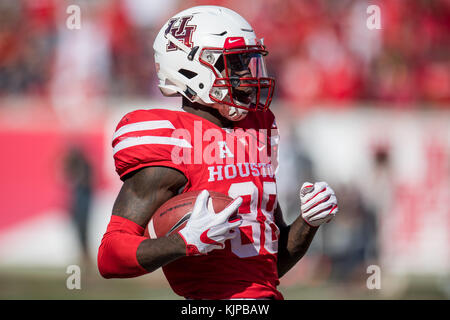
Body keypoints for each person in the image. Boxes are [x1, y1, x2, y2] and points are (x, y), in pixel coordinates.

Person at [97, 5, 339, 300]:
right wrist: (183, 242)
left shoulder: (255, 129)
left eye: (248, 61)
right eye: (235, 63)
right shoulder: (174, 140)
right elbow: (109, 257)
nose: (247, 74)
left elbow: (269, 268)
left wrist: (308, 221)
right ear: (192, 67)